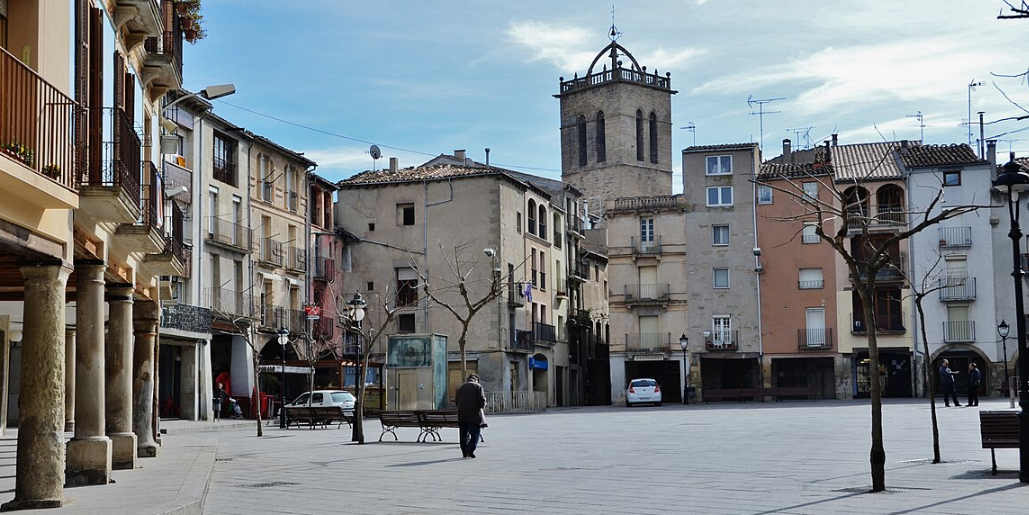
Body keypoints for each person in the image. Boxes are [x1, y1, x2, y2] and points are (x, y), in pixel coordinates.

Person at [455, 373, 486, 459]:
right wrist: (482, 406)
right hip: (474, 414)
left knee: (463, 434)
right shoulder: (478, 386)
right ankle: (470, 449)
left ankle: (464, 452)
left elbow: (457, 401)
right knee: (475, 433)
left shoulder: (460, 387)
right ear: (476, 379)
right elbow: (482, 400)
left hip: (462, 415)